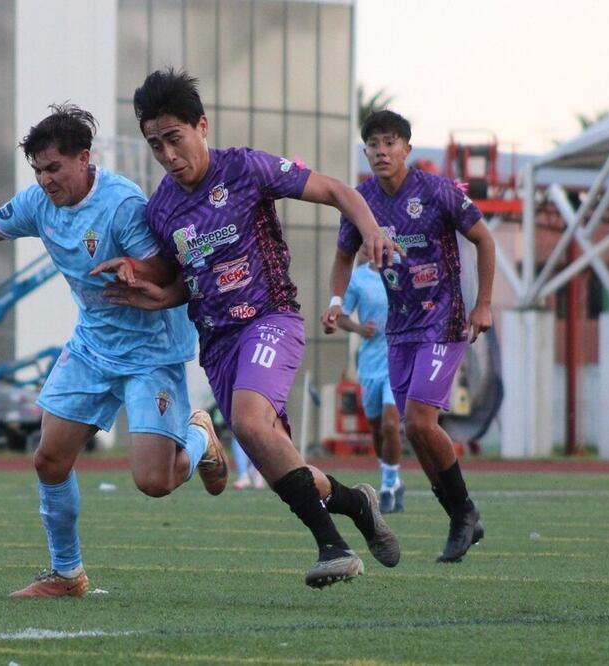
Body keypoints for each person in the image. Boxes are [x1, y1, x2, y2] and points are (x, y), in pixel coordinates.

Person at [98, 69, 403, 588]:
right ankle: (356, 503)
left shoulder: (245, 168)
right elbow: (185, 280)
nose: (168, 155)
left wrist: (371, 228)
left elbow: (335, 190)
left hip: (270, 319)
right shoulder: (162, 209)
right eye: (155, 145)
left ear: (202, 126)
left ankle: (333, 546)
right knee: (276, 457)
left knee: (247, 422)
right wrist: (157, 295)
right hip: (217, 345)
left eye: (174, 138)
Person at [0, 103, 227, 599]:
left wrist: (135, 270)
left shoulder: (122, 204)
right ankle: (67, 574)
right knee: (50, 459)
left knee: (155, 482)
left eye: (53, 168)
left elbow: (168, 269)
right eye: (38, 170)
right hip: (92, 347)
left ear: (84, 158)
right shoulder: (39, 202)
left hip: (151, 351)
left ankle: (200, 437)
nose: (45, 180)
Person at [322, 109, 495, 563]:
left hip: (444, 320)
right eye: (373, 144)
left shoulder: (436, 191)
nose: (381, 151)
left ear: (407, 149)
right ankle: (461, 515)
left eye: (390, 142)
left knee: (418, 421)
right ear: (365, 152)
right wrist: (336, 302)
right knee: (414, 430)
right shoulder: (361, 201)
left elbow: (485, 239)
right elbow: (342, 258)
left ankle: (463, 512)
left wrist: (483, 303)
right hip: (399, 330)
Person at [332, 244, 405, 513]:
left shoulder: (401, 266)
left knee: (390, 423)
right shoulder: (358, 278)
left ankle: (388, 486)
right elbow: (341, 317)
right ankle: (391, 476)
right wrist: (359, 328)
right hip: (370, 363)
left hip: (397, 359)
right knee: (376, 427)